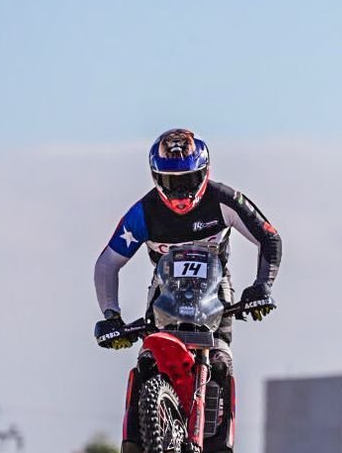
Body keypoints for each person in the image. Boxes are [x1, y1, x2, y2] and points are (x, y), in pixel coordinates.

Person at [93, 128, 282, 367]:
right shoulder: (142, 213)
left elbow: (270, 237)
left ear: (204, 172)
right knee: (148, 360)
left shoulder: (224, 199)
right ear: (156, 177)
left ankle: (219, 383)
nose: (180, 192)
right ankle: (143, 388)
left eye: (188, 180)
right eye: (171, 182)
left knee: (221, 361)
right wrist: (111, 315)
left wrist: (262, 285)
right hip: (163, 289)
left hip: (216, 287)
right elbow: (107, 263)